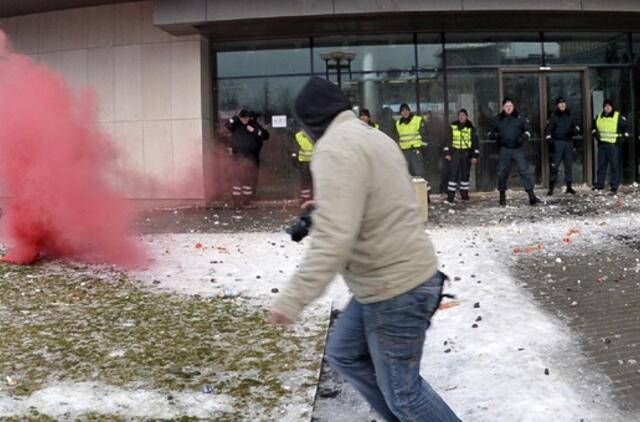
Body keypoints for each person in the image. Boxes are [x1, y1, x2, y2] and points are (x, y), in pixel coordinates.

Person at [269, 76, 460, 422]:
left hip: (395, 287)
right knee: (344, 352)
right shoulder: (373, 136)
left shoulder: (332, 149)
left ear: (312, 122)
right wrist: (326, 208)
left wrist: (291, 300)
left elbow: (334, 239)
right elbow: (377, 198)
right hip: (396, 277)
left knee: (404, 395)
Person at [489, 98, 540, 206]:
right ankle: (502, 197)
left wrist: (524, 137)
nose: (508, 108)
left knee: (523, 171)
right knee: (502, 172)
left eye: (510, 106)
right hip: (504, 149)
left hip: (517, 149)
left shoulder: (520, 118)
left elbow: (529, 130)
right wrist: (495, 136)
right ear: (503, 107)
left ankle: (531, 196)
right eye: (506, 106)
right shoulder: (498, 119)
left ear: (513, 107)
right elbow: (490, 132)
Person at [225, 109, 269, 208]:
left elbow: (265, 135)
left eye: (246, 117)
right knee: (237, 178)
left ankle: (246, 200)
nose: (244, 119)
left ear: (249, 117)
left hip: (251, 156)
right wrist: (236, 117)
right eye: (242, 117)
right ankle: (236, 201)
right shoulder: (235, 125)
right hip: (238, 156)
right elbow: (228, 125)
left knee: (249, 178)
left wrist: (254, 130)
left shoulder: (254, 124)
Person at [592, 99, 629, 194]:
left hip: (613, 145)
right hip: (602, 145)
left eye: (609, 106)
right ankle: (599, 184)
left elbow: (625, 128)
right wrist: (596, 135)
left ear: (612, 107)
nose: (607, 107)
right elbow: (594, 128)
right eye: (605, 106)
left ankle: (614, 186)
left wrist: (621, 138)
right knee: (601, 166)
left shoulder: (617, 116)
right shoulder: (599, 116)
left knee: (614, 166)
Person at [545, 97, 580, 195]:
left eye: (563, 103)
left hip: (568, 143)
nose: (562, 105)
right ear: (557, 105)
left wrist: (574, 131)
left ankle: (569, 187)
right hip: (558, 143)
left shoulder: (570, 114)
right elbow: (548, 129)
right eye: (560, 103)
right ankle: (551, 188)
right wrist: (549, 140)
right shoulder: (554, 116)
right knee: (554, 166)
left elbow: (576, 126)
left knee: (568, 165)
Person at [443, 109, 480, 203]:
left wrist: (475, 156)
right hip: (455, 153)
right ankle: (450, 196)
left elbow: (475, 143)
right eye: (460, 115)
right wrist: (447, 153)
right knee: (453, 174)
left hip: (466, 153)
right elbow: (448, 140)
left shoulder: (471, 128)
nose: (461, 117)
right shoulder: (453, 126)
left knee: (465, 175)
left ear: (467, 116)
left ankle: (464, 195)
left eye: (463, 115)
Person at [292, 129, 314, 202]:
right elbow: (295, 149)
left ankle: (307, 199)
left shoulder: (299, 135)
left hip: (308, 162)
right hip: (306, 162)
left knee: (307, 182)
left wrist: (294, 158)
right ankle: (306, 199)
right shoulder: (314, 135)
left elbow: (295, 149)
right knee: (307, 181)